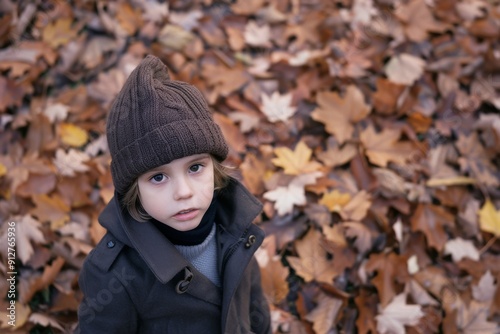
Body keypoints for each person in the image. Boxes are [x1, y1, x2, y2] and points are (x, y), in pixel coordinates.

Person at [76, 55, 271, 333]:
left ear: (214, 167)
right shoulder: (114, 276)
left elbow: (253, 306)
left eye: (195, 168)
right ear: (134, 189)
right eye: (158, 177)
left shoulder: (237, 229)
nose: (183, 192)